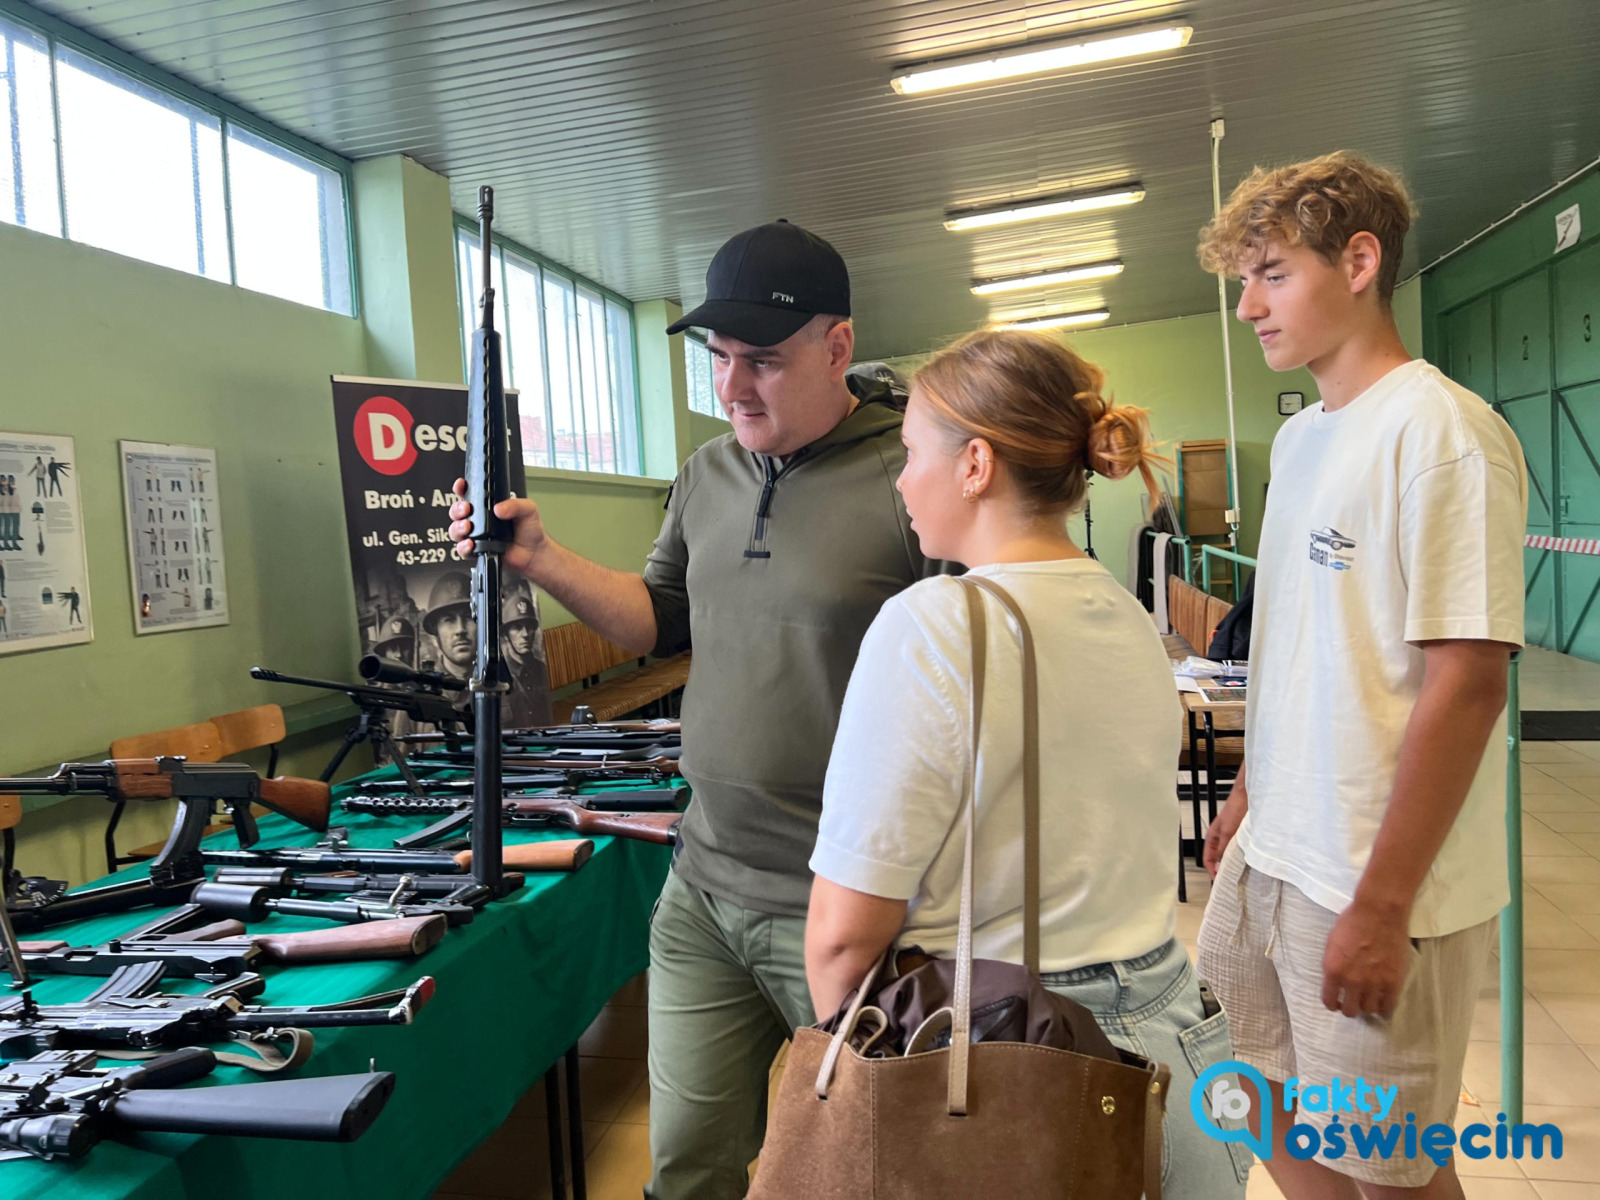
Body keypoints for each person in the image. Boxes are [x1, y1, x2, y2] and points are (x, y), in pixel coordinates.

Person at [449, 219, 945, 1200]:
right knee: (685, 1169)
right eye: (719, 358)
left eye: (762, 360)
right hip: (704, 885)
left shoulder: (912, 474)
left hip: (853, 900)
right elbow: (658, 620)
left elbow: (973, 676)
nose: (732, 386)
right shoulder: (707, 473)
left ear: (837, 346)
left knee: (881, 1170)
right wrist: (539, 557)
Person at [805, 329, 1249, 1200]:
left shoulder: (934, 624)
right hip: (1174, 1039)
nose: (901, 481)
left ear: (975, 465)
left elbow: (843, 934)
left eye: (911, 453)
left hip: (1014, 1058)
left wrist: (854, 1092)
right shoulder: (1126, 613)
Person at [1194, 152, 1526, 1198]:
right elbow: (1302, 647)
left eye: (1272, 274)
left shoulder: (1444, 435)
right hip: (1279, 850)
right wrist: (1247, 794)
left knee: (1391, 1171)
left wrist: (1382, 907)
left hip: (1375, 877)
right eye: (1242, 280)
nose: (1247, 306)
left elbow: (1468, 682)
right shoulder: (1302, 439)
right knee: (1253, 1093)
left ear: (1360, 261)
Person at [501, 585, 554, 728]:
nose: (525, 634)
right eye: (517, 628)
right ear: (505, 634)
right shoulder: (500, 675)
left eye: (529, 627)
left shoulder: (540, 670)